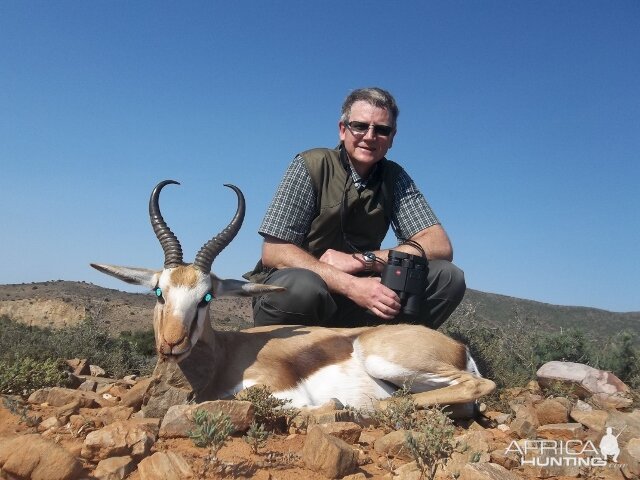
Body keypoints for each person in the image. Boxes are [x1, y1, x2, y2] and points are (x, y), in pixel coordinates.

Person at [245, 87, 465, 329]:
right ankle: (279, 358)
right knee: (304, 287)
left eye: (382, 130)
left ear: (392, 138)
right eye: (360, 126)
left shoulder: (395, 177)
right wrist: (352, 286)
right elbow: (274, 252)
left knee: (447, 277)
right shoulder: (311, 164)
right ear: (343, 130)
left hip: (361, 295)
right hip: (306, 293)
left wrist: (362, 261)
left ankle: (384, 357)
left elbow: (438, 245)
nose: (370, 136)